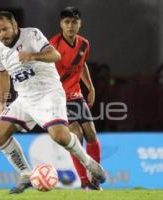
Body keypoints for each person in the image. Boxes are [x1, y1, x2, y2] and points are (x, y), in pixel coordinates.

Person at [0, 11, 106, 194]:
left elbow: (55, 55)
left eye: (4, 29)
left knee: (60, 136)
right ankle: (26, 174)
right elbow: (2, 74)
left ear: (14, 26)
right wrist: (2, 103)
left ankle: (89, 162)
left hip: (48, 93)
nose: (2, 35)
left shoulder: (32, 34)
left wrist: (33, 55)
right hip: (25, 99)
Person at [49, 7, 102, 190]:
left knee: (92, 134)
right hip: (60, 98)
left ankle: (94, 179)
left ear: (80, 24)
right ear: (61, 24)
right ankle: (84, 181)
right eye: (67, 22)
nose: (70, 26)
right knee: (76, 135)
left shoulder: (84, 44)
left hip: (77, 96)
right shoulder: (53, 45)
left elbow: (81, 64)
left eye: (74, 22)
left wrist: (90, 87)